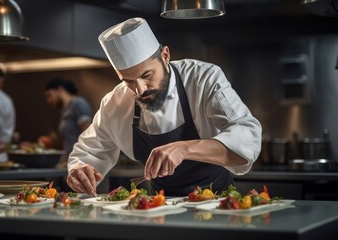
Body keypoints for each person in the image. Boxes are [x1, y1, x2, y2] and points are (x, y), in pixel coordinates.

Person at [66, 17, 262, 196]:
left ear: (165, 55)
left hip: (219, 202)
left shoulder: (203, 78)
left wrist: (185, 149)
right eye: (128, 81)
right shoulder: (115, 102)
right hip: (160, 207)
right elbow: (89, 151)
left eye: (146, 75)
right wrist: (79, 168)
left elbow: (247, 141)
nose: (140, 90)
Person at [44, 78, 93, 168]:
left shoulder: (78, 104)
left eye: (49, 95)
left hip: (79, 162)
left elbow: (87, 134)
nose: (49, 100)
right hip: (68, 161)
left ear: (59, 90)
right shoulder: (64, 110)